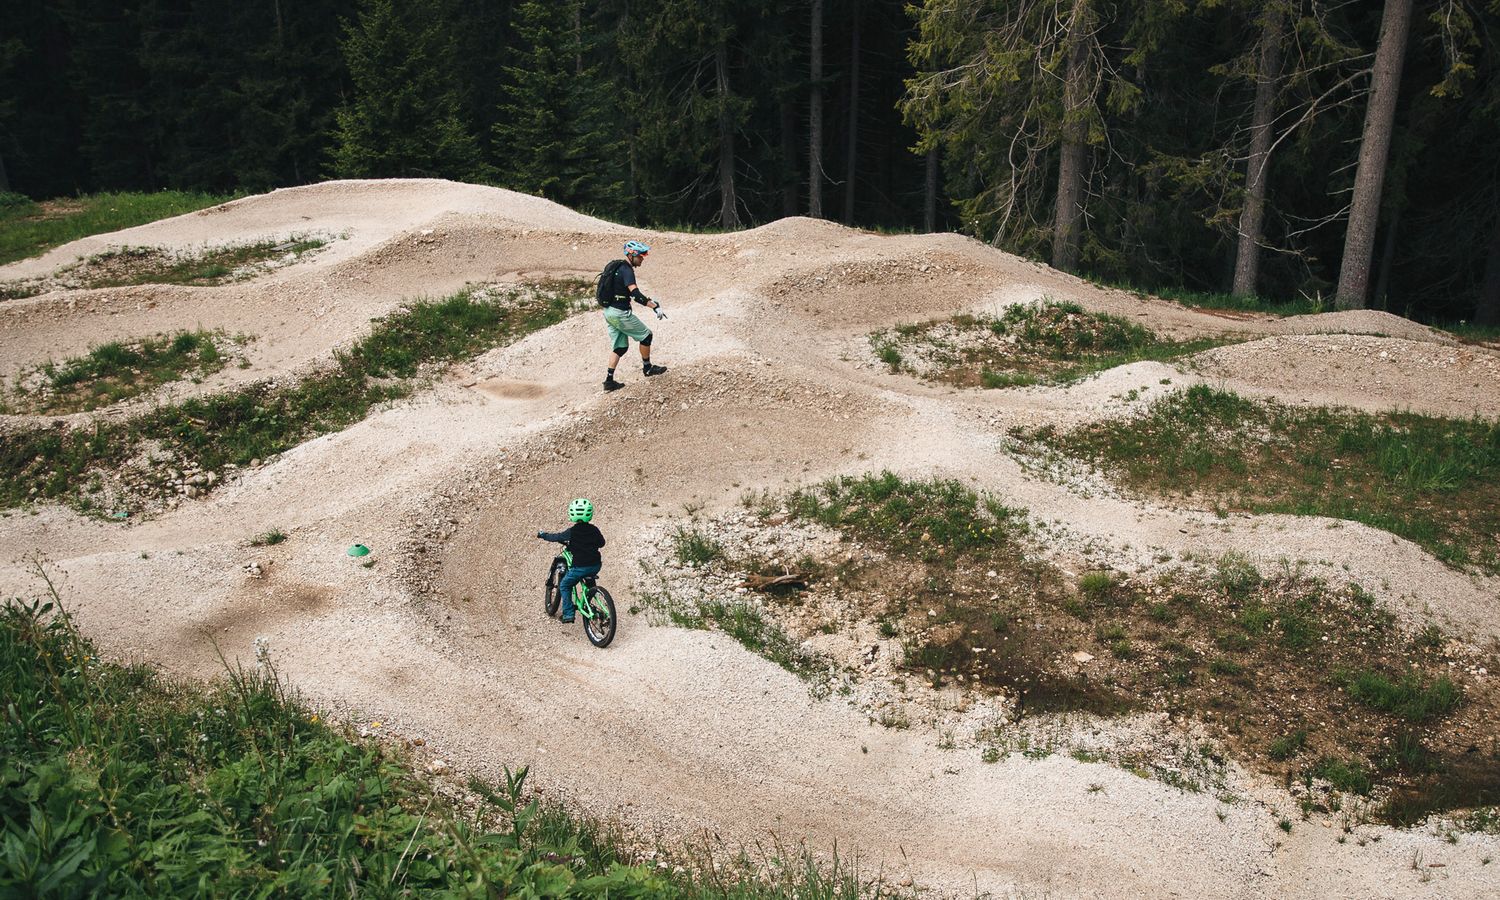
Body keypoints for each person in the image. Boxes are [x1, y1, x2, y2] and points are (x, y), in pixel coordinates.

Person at [599, 240, 666, 392]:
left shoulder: (618, 268)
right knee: (646, 336)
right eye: (640, 256)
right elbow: (635, 294)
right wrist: (654, 306)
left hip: (609, 312)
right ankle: (648, 369)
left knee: (620, 347)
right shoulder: (627, 270)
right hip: (620, 314)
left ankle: (609, 382)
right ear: (632, 255)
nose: (642, 259)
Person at [536, 498, 605, 624]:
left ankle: (568, 613)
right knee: (587, 573)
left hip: (580, 568)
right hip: (595, 565)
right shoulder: (594, 529)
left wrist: (543, 535)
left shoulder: (571, 532)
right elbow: (602, 543)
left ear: (572, 514)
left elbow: (555, 537)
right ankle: (591, 590)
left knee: (565, 585)